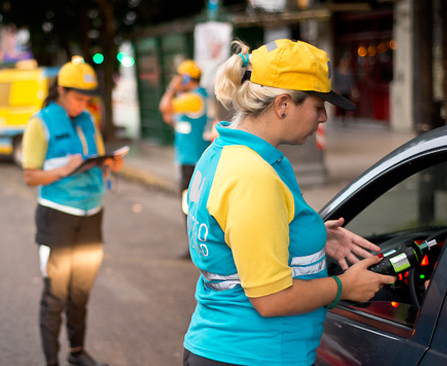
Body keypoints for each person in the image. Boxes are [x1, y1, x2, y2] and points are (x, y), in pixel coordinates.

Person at [182, 39, 396, 366]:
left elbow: (239, 240)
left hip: (228, 348)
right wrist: (344, 286)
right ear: (283, 104)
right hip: (253, 355)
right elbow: (270, 299)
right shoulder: (252, 175)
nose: (323, 118)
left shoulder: (224, 153)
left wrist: (310, 237)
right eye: (317, 106)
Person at [22, 56, 119, 366]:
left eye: (87, 98)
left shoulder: (88, 119)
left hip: (92, 214)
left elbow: (97, 155)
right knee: (56, 296)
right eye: (78, 97)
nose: (83, 103)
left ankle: (77, 354)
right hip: (58, 217)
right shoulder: (40, 123)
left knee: (81, 291)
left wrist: (109, 162)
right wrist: (63, 170)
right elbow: (30, 176)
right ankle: (52, 361)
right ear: (61, 90)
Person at [159, 60, 211, 248]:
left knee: (190, 205)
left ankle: (196, 247)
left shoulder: (192, 98)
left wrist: (171, 88)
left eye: (178, 76)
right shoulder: (195, 97)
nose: (176, 79)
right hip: (194, 158)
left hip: (192, 161)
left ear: (186, 78)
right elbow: (172, 118)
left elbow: (164, 107)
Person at [332, 54, 359, 122]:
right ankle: (341, 116)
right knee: (340, 103)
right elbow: (335, 81)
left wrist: (353, 90)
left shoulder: (349, 72)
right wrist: (336, 88)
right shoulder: (337, 71)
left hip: (347, 90)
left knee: (346, 102)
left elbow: (351, 82)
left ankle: (346, 116)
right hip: (340, 90)